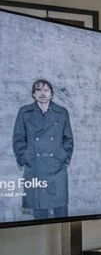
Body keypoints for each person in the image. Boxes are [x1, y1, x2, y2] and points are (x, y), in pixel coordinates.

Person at [12, 79, 73, 219]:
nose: (42, 93)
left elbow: (68, 139)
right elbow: (18, 138)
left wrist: (62, 157)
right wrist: (27, 157)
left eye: (46, 90)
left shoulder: (62, 112)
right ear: (33, 94)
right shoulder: (24, 112)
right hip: (35, 168)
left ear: (51, 94)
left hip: (57, 168)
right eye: (38, 90)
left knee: (61, 212)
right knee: (39, 214)